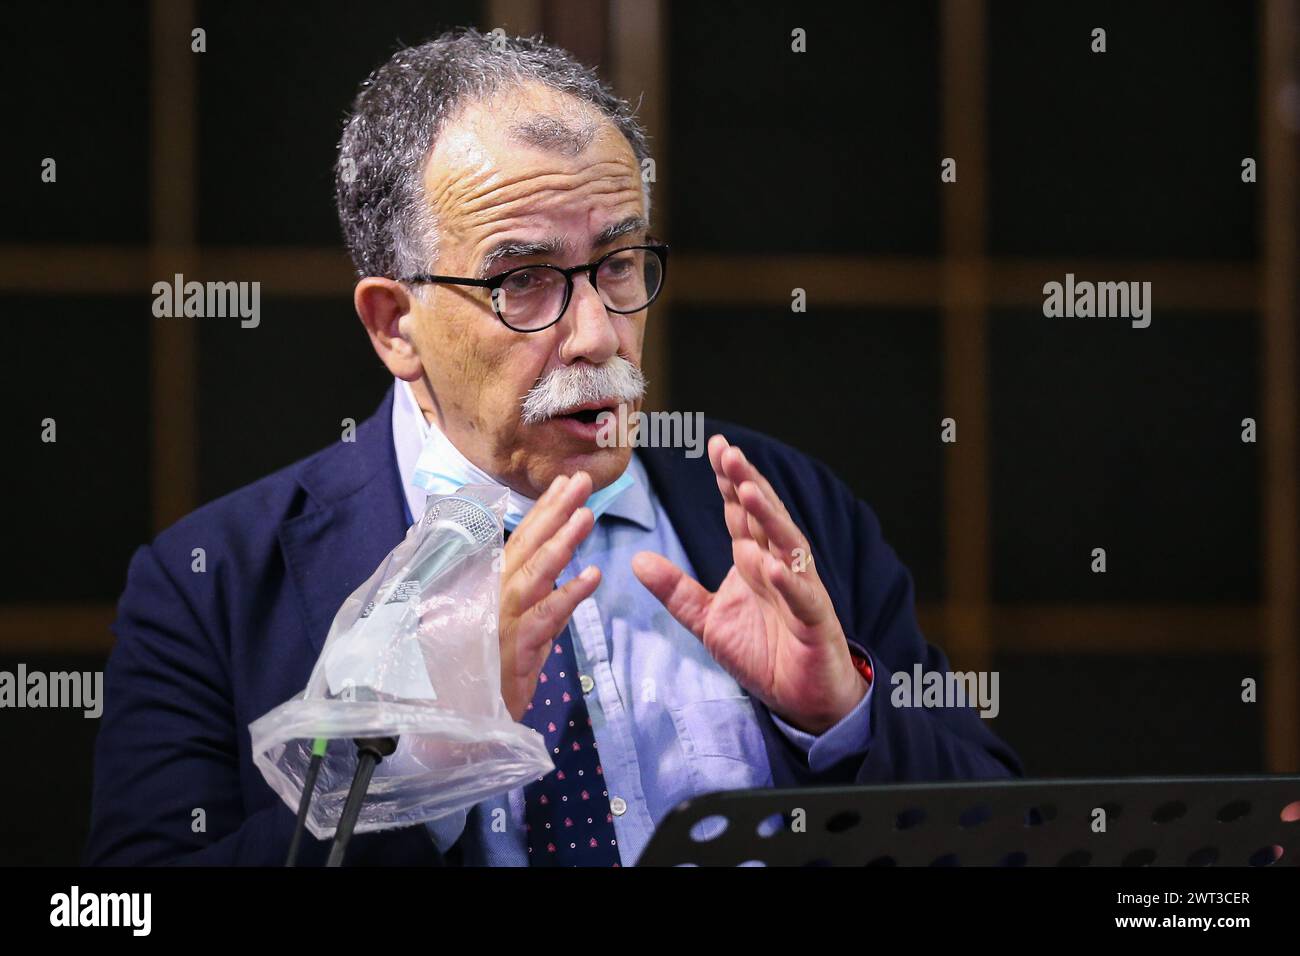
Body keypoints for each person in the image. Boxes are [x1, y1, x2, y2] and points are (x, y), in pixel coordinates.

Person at [85, 28, 1020, 867]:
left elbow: (1007, 839)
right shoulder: (210, 585)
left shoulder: (781, 510)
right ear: (394, 325)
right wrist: (419, 759)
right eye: (525, 281)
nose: (596, 337)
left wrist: (841, 718)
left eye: (617, 265)